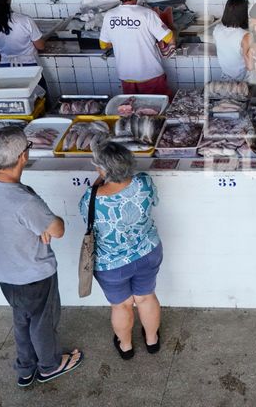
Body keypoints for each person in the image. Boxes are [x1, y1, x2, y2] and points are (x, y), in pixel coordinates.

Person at [0, 125, 83, 387]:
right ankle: (49, 366)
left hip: (5, 272)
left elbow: (29, 220)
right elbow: (57, 229)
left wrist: (37, 225)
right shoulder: (24, 202)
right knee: (42, 322)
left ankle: (25, 369)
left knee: (21, 319)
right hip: (33, 273)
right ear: (23, 156)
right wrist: (43, 223)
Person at [80, 141, 164, 360]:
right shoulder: (144, 182)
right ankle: (152, 340)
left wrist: (100, 180)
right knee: (146, 297)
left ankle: (126, 346)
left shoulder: (90, 199)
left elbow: (89, 222)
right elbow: (154, 201)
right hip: (147, 252)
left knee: (121, 305)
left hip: (112, 264)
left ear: (102, 170)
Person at [99, 0, 174, 96]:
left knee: (132, 110)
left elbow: (104, 45)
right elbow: (168, 37)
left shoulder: (109, 16)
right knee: (159, 109)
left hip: (126, 75)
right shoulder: (147, 14)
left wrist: (122, 38)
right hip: (151, 74)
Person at [213, 0, 252, 81]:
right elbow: (250, 66)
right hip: (243, 80)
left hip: (225, 77)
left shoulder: (217, 29)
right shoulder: (245, 36)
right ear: (243, 14)